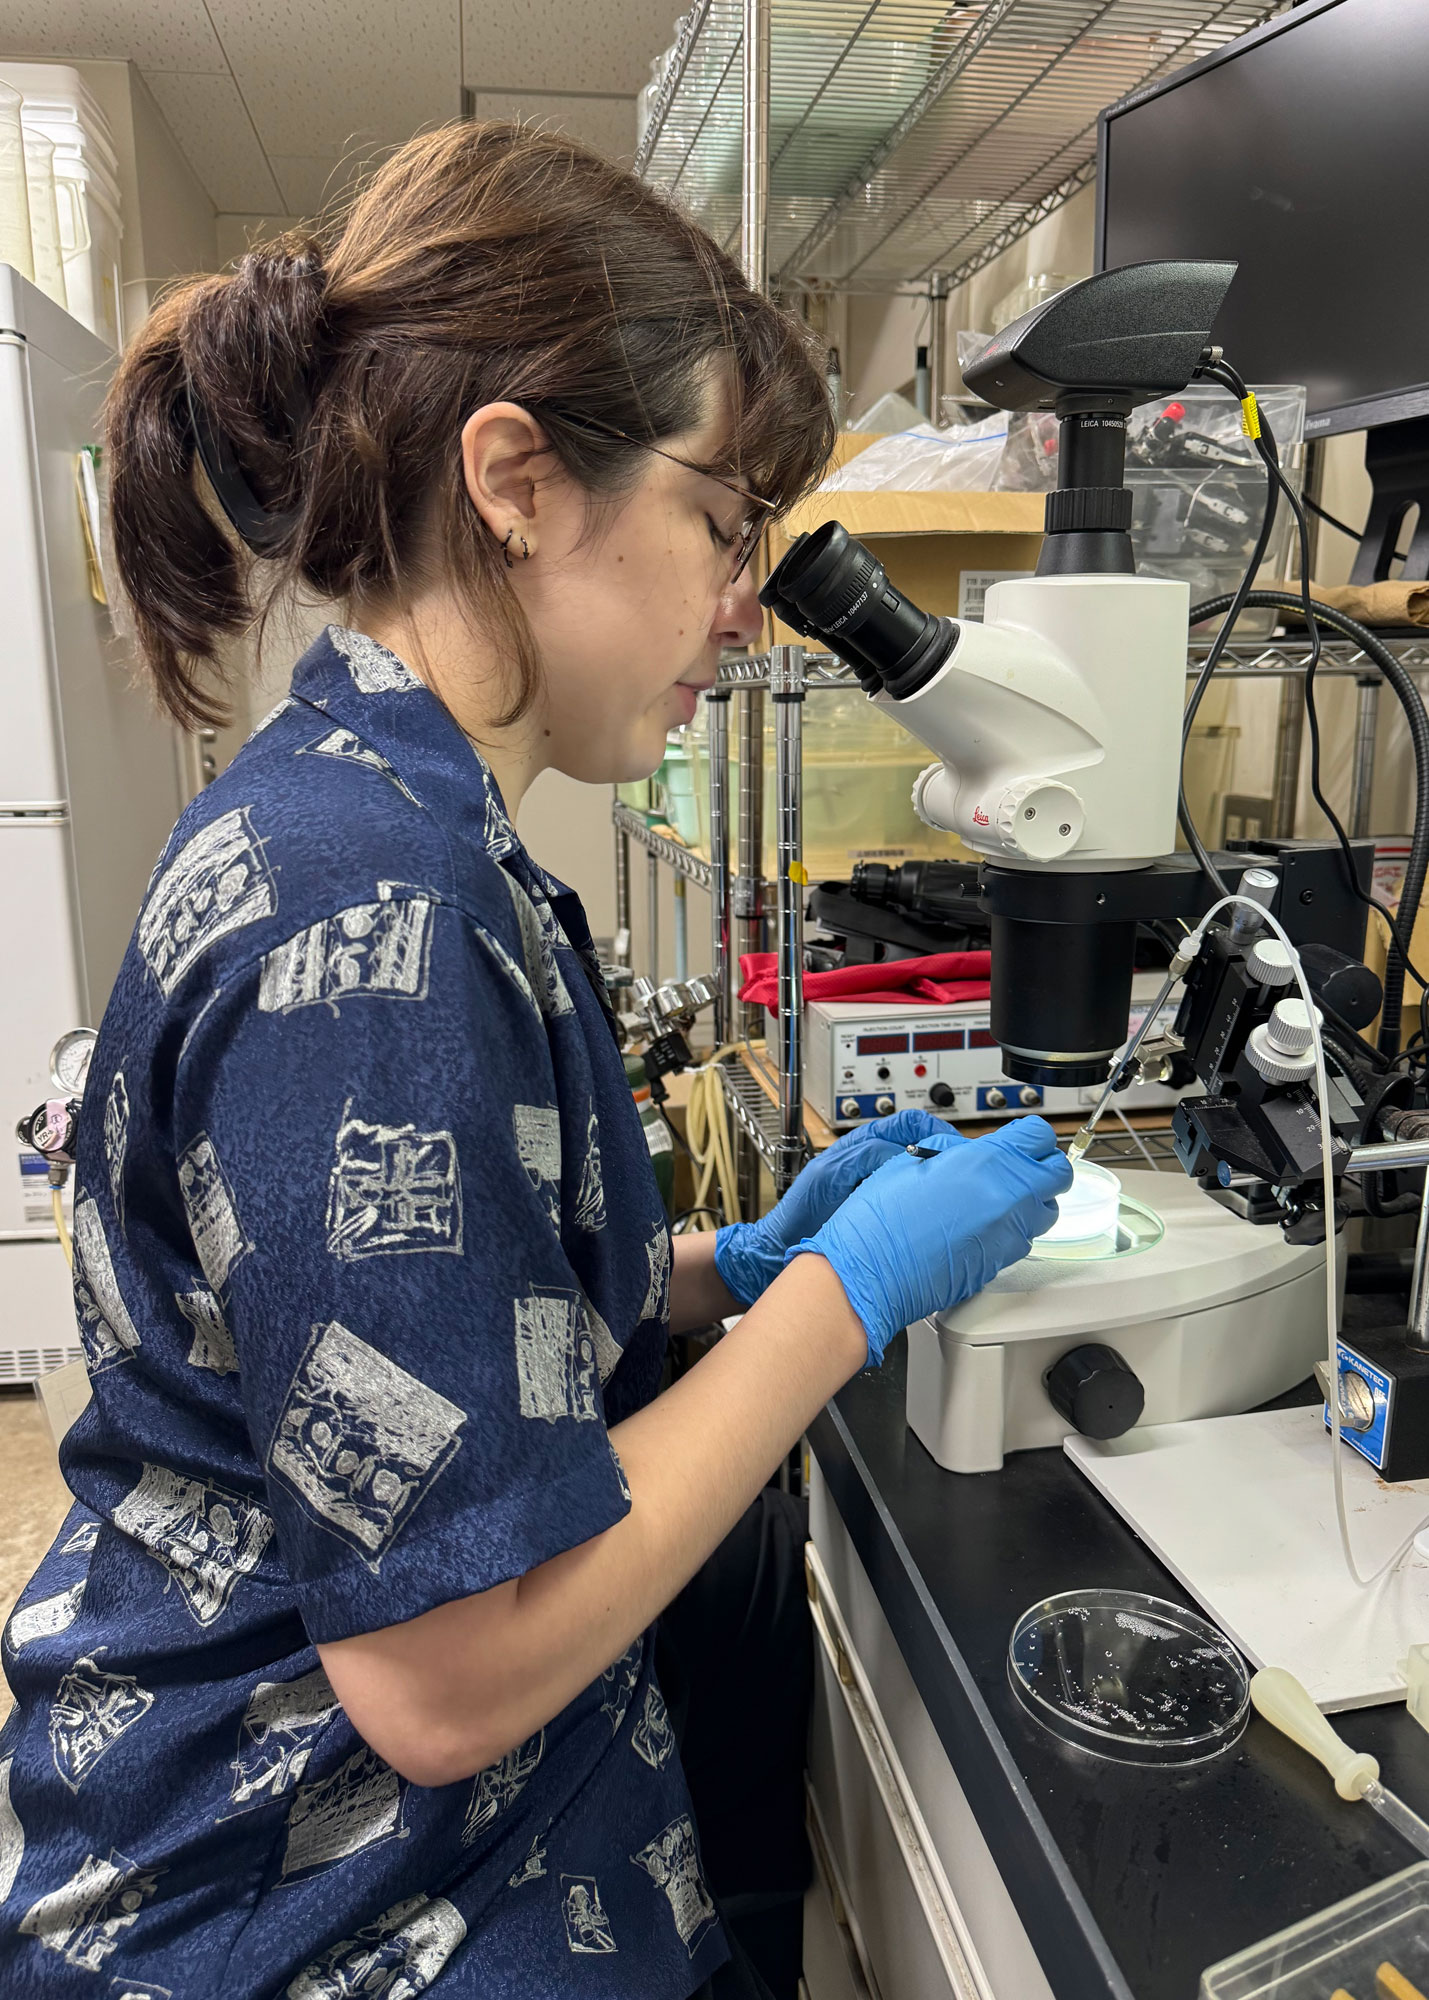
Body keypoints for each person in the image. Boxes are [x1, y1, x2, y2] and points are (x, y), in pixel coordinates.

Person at [0, 123, 1070, 2000]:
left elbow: (373, 1347)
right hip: (323, 1903)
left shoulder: (388, 816)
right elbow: (439, 1676)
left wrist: (701, 1276)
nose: (745, 606)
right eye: (726, 522)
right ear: (512, 475)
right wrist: (836, 1299)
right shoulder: (375, 917)